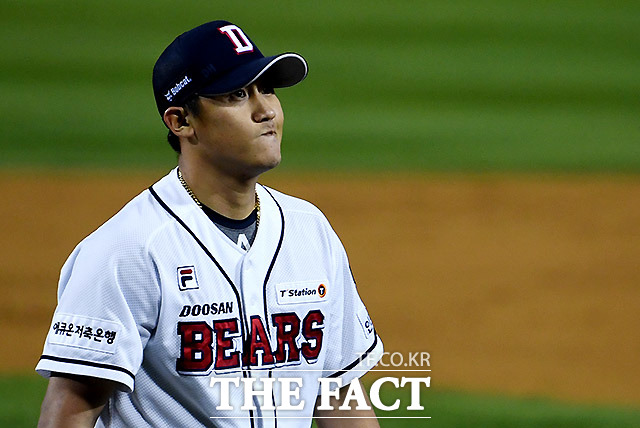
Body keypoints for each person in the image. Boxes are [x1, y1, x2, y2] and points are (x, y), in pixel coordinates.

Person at [36, 20, 383, 427]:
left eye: (266, 89)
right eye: (237, 94)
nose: (266, 110)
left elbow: (338, 391)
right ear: (180, 121)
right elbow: (69, 409)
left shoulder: (310, 230)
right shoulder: (129, 249)